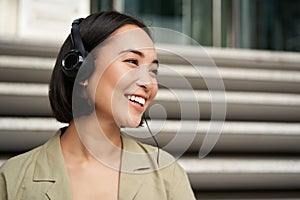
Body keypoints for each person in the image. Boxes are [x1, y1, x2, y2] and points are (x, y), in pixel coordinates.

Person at [0, 11, 195, 200]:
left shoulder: (168, 175)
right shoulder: (13, 178)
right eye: (132, 61)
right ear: (82, 71)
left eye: (153, 71)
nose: (149, 83)